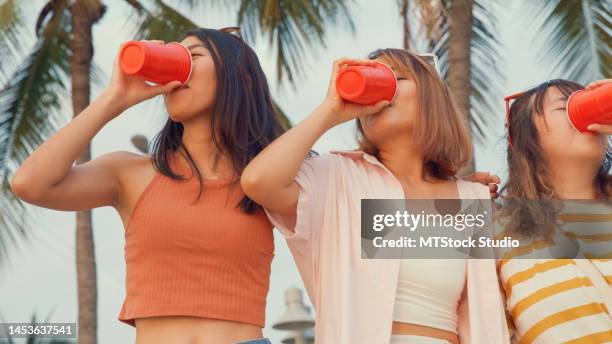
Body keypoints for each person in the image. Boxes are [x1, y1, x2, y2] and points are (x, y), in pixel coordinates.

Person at [10, 27, 283, 344]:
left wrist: (333, 113)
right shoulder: (131, 173)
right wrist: (114, 99)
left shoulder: (267, 178)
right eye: (176, 56)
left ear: (241, 78)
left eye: (193, 56)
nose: (182, 69)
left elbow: (359, 226)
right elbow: (29, 183)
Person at [241, 49, 510, 344]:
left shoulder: (472, 198)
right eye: (375, 80)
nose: (383, 90)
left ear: (432, 96)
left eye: (396, 77)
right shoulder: (338, 178)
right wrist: (330, 111)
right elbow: (259, 181)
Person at [497, 78, 612, 343]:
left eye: (582, 101)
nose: (579, 113)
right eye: (564, 107)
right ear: (525, 137)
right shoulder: (500, 234)